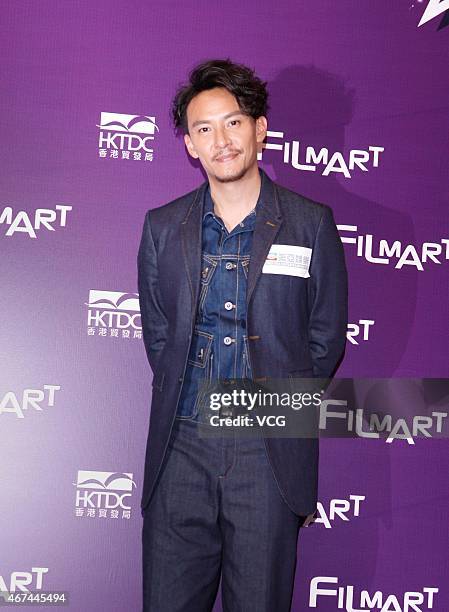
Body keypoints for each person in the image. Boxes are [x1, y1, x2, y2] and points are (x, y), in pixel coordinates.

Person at [137, 58, 348, 612]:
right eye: (204, 128)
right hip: (181, 448)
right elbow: (160, 337)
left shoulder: (310, 222)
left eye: (233, 123)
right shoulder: (162, 227)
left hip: (266, 450)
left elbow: (325, 340)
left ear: (260, 128)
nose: (221, 141)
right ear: (189, 143)